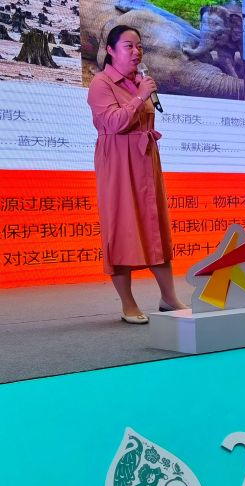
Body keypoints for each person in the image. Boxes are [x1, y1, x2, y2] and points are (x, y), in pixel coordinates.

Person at [86, 25, 187, 324]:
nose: (136, 52)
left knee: (155, 225)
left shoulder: (139, 81)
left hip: (145, 160)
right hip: (118, 162)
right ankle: (128, 303)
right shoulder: (101, 83)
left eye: (139, 46)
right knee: (121, 228)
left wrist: (143, 93)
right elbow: (113, 123)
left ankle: (169, 298)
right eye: (129, 46)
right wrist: (140, 96)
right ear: (110, 50)